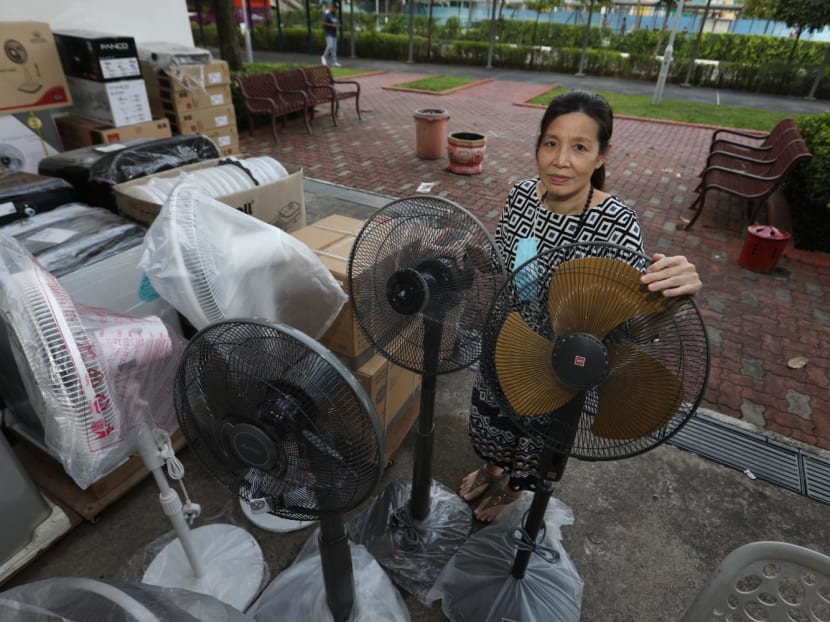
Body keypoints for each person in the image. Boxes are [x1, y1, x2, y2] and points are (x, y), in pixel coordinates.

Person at [458, 90, 702, 523]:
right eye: (550, 143)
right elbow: (505, 260)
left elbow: (636, 326)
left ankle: (514, 488)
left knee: (535, 436)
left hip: (560, 365)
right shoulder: (520, 196)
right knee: (493, 420)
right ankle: (492, 465)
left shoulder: (616, 224)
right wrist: (469, 253)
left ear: (602, 156)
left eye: (580, 147)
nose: (560, 161)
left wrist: (673, 294)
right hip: (507, 341)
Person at [321, 3, 341, 68]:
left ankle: (334, 62)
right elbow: (323, 23)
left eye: (336, 8)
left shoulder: (335, 15)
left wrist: (338, 25)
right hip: (328, 33)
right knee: (330, 46)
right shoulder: (327, 14)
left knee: (334, 48)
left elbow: (337, 22)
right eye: (334, 8)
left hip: (334, 33)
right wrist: (332, 25)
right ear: (331, 7)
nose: (335, 9)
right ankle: (323, 57)